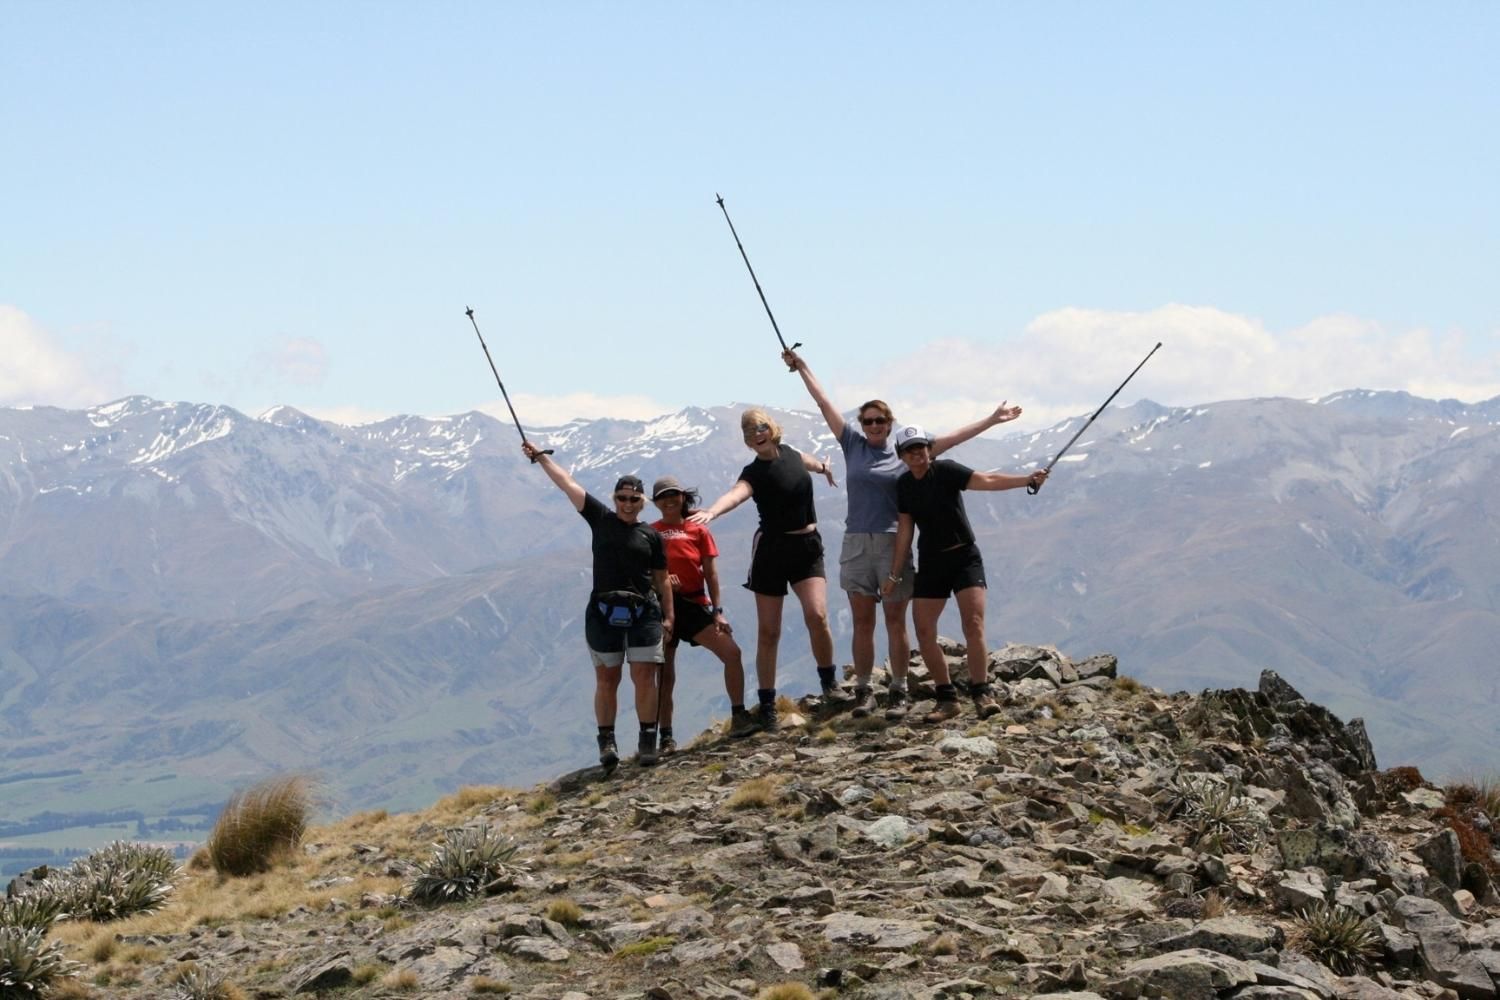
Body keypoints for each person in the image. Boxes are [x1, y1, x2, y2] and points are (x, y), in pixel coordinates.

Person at [783, 348, 1024, 720]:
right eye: (868, 421)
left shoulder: (908, 454)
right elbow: (823, 401)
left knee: (896, 621)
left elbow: (955, 439)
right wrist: (803, 368)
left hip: (894, 543)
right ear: (861, 424)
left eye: (881, 421)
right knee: (863, 621)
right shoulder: (852, 445)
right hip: (856, 542)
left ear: (890, 424)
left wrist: (992, 420)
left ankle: (898, 689)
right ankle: (863, 689)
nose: (874, 426)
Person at [522, 441, 674, 770]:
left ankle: (648, 741)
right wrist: (541, 457)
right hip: (603, 612)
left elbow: (662, 579)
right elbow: (567, 484)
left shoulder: (652, 536)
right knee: (607, 679)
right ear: (614, 499)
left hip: (644, 613)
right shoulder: (600, 519)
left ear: (643, 502)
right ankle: (607, 742)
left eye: (634, 499)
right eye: (622, 498)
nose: (627, 504)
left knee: (645, 677)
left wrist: (669, 616)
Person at [882, 425, 1047, 723]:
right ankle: (946, 699)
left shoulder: (946, 470)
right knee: (924, 631)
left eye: (921, 446)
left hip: (964, 557)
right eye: (910, 449)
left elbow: (986, 480)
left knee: (973, 624)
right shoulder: (904, 485)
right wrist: (894, 574)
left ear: (929, 449)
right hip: (931, 562)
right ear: (902, 455)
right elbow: (905, 529)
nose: (917, 453)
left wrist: (1027, 479)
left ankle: (982, 693)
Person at [689, 408, 840, 730]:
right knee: (769, 631)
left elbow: (809, 462)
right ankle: (768, 703)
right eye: (748, 433)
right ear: (747, 442)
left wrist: (825, 467)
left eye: (760, 427)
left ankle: (831, 686)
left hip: (807, 546)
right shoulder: (753, 473)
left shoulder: (792, 453)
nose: (756, 434)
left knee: (818, 615)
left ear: (771, 428)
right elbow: (736, 495)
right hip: (771, 550)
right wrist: (712, 513)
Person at [648, 475, 758, 750]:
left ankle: (739, 715)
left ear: (683, 497)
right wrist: (661, 583)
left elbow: (711, 572)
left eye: (674, 494)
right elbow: (643, 572)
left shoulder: (698, 529)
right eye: (663, 496)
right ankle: (666, 737)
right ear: (656, 502)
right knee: (665, 674)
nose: (669, 500)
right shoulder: (650, 532)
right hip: (663, 608)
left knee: (732, 653)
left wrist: (718, 611)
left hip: (695, 604)